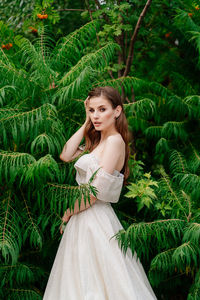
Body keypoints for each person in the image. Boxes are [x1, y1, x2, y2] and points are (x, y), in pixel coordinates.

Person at [43, 86, 157, 299]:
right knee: (79, 281)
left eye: (102, 109)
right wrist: (86, 122)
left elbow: (95, 192)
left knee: (99, 282)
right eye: (92, 110)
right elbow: (66, 154)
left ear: (117, 111)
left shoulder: (114, 141)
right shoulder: (97, 141)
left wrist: (68, 212)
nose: (96, 115)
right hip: (83, 218)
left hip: (95, 218)